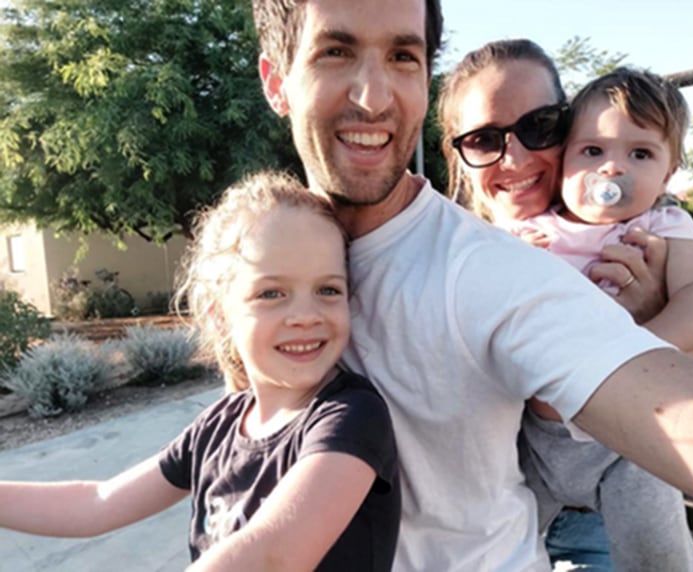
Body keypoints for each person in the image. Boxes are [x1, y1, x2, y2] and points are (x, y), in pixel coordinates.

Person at [252, 1, 693, 570]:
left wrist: (633, 327)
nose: (373, 96)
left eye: (402, 56)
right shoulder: (267, 249)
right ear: (276, 81)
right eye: (336, 52)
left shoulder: (505, 266)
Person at [0, 171, 401, 571]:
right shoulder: (217, 428)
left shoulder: (351, 417)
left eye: (327, 290)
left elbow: (273, 555)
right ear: (219, 315)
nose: (304, 315)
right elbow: (98, 502)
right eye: (271, 293)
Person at [439, 44, 693, 571]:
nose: (612, 167)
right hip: (529, 458)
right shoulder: (501, 239)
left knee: (655, 549)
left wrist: (629, 349)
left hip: (627, 447)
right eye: (593, 151)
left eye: (540, 127)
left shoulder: (657, 231)